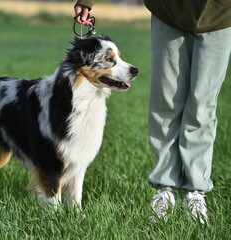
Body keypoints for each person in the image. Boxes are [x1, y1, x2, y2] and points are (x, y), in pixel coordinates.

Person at [74, 0, 231, 224]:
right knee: (165, 102)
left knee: (202, 105)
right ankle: (165, 189)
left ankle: (195, 192)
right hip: (169, 10)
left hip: (220, 14)